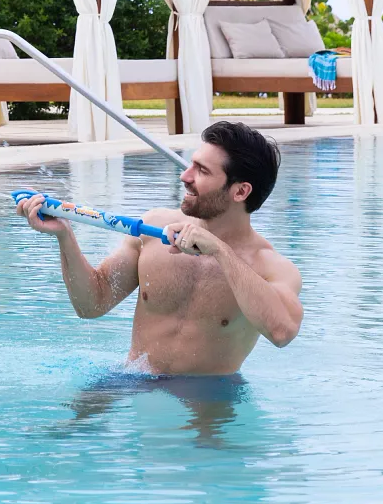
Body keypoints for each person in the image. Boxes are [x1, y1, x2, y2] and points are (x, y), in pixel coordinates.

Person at [17, 120, 303, 376]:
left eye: (201, 171)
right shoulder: (153, 229)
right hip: (133, 379)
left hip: (208, 401)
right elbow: (92, 304)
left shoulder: (271, 267)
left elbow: (281, 332)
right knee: (67, 431)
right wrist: (64, 237)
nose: (185, 176)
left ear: (240, 191)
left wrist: (219, 251)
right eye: (191, 164)